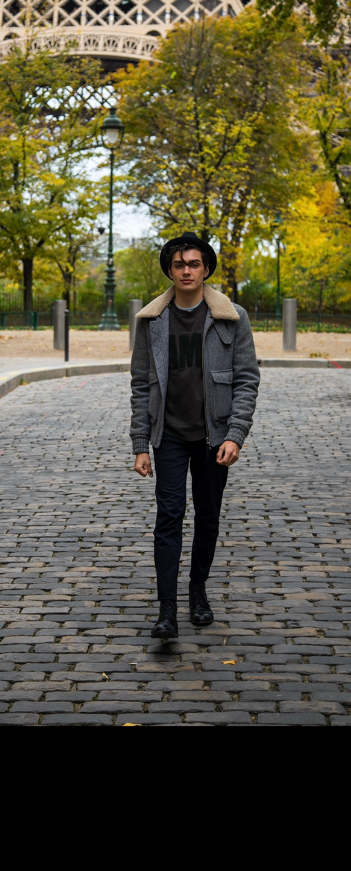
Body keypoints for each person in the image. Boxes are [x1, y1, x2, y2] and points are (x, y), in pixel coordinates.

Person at [130, 232, 260, 639]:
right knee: (168, 517)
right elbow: (140, 384)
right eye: (179, 264)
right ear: (170, 271)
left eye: (194, 264)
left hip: (213, 436)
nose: (186, 270)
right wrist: (140, 444)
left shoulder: (231, 317)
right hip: (167, 435)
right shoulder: (151, 321)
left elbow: (247, 379)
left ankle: (197, 591)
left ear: (205, 269)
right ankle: (167, 609)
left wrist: (235, 434)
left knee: (207, 517)